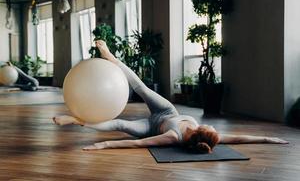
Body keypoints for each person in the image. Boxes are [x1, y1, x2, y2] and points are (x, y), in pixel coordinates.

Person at [53, 40, 288, 153]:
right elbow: (238, 139)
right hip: (167, 112)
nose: (210, 126)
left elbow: (137, 143)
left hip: (151, 126)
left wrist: (103, 145)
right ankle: (110, 57)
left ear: (197, 132)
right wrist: (267, 139)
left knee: (119, 123)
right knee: (142, 88)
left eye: (208, 127)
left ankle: (76, 120)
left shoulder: (173, 138)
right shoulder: (205, 134)